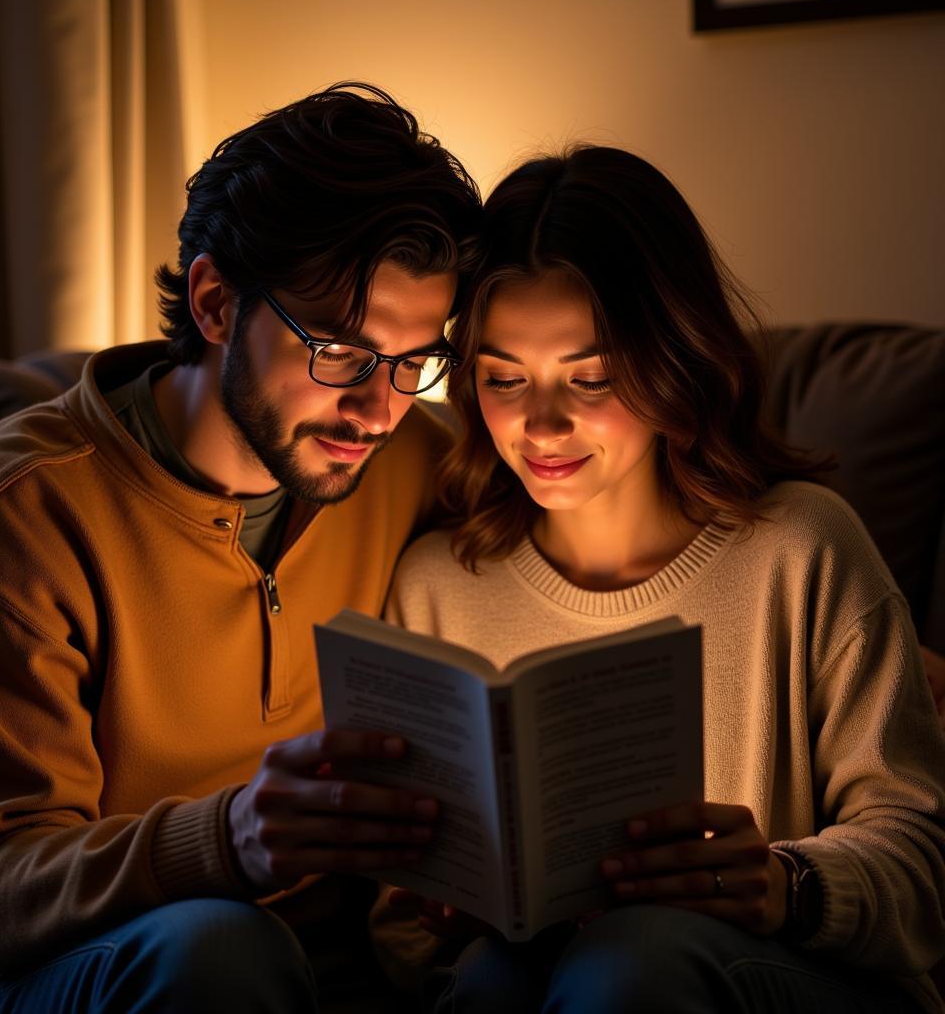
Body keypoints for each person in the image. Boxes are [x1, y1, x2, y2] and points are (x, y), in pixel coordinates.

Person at [0, 83, 482, 1012]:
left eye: (412, 361)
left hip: (330, 965)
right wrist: (229, 841)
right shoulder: (15, 512)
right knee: (219, 951)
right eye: (340, 352)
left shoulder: (417, 461)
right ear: (216, 302)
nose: (378, 409)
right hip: (65, 973)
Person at [374, 146, 945, 1012]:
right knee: (493, 980)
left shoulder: (801, 548)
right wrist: (450, 911)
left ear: (670, 358)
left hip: (788, 978)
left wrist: (786, 886)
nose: (541, 422)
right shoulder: (439, 585)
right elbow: (398, 922)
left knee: (636, 957)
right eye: (501, 378)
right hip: (536, 979)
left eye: (591, 376)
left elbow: (922, 856)